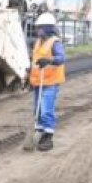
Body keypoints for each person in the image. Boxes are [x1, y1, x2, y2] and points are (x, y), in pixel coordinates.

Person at [29, 12, 66, 151]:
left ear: (48, 28)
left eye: (40, 27)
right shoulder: (38, 42)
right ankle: (39, 132)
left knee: (46, 110)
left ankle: (48, 137)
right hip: (38, 82)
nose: (38, 30)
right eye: (37, 27)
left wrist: (49, 60)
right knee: (37, 110)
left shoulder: (54, 42)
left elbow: (61, 58)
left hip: (50, 82)